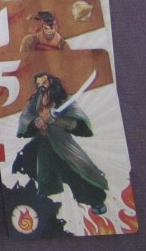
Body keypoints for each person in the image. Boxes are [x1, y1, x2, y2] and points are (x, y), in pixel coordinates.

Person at [12, 73, 108, 214]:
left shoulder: (64, 100)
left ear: (51, 82)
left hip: (61, 144)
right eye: (38, 84)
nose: (41, 87)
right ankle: (41, 201)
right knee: (30, 165)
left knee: (75, 171)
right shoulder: (36, 100)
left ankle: (95, 200)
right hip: (42, 143)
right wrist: (35, 121)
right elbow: (25, 116)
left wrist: (57, 120)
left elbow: (77, 123)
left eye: (43, 83)